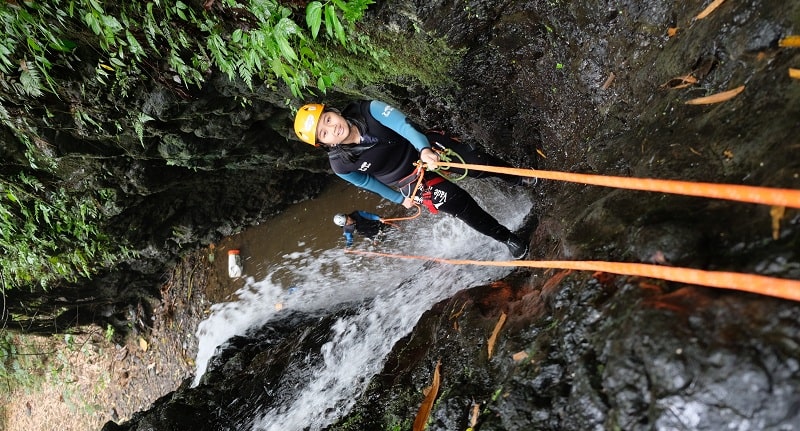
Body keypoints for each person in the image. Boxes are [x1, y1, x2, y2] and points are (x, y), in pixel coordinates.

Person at [294, 100, 532, 259]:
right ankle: (507, 238)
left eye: (327, 119)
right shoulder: (341, 165)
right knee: (457, 203)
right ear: (325, 145)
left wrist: (424, 150)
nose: (332, 128)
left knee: (474, 162)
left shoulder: (370, 110)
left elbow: (404, 126)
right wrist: (400, 199)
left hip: (421, 146)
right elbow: (368, 183)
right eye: (323, 134)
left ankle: (517, 178)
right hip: (408, 179)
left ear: (334, 112)